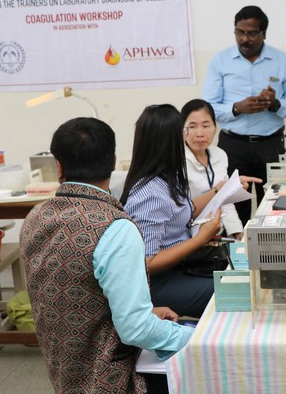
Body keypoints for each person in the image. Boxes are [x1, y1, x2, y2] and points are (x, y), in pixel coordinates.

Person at [20, 117, 193, 393]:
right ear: (113, 161)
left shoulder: (36, 217)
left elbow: (75, 294)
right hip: (115, 381)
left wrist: (143, 311)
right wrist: (197, 337)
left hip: (65, 375)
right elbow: (137, 331)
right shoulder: (115, 228)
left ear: (58, 166)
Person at [203, 5, 286, 224]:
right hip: (232, 147)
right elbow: (209, 108)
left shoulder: (281, 60)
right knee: (232, 211)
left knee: (275, 208)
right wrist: (237, 108)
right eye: (239, 32)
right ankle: (236, 245)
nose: (244, 39)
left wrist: (276, 104)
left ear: (263, 34)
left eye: (251, 33)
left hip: (270, 146)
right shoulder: (220, 61)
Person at [121, 104, 224, 319]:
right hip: (157, 283)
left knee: (237, 272)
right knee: (230, 291)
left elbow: (183, 210)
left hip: (181, 267)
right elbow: (147, 263)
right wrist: (200, 238)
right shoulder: (150, 194)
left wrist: (219, 192)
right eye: (185, 131)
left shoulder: (167, 177)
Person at [181, 98, 262, 241]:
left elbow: (225, 200)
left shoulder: (220, 155)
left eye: (206, 126)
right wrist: (220, 190)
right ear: (182, 130)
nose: (200, 133)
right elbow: (179, 212)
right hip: (188, 237)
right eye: (192, 126)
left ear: (215, 127)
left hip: (218, 234)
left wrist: (236, 232)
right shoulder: (176, 161)